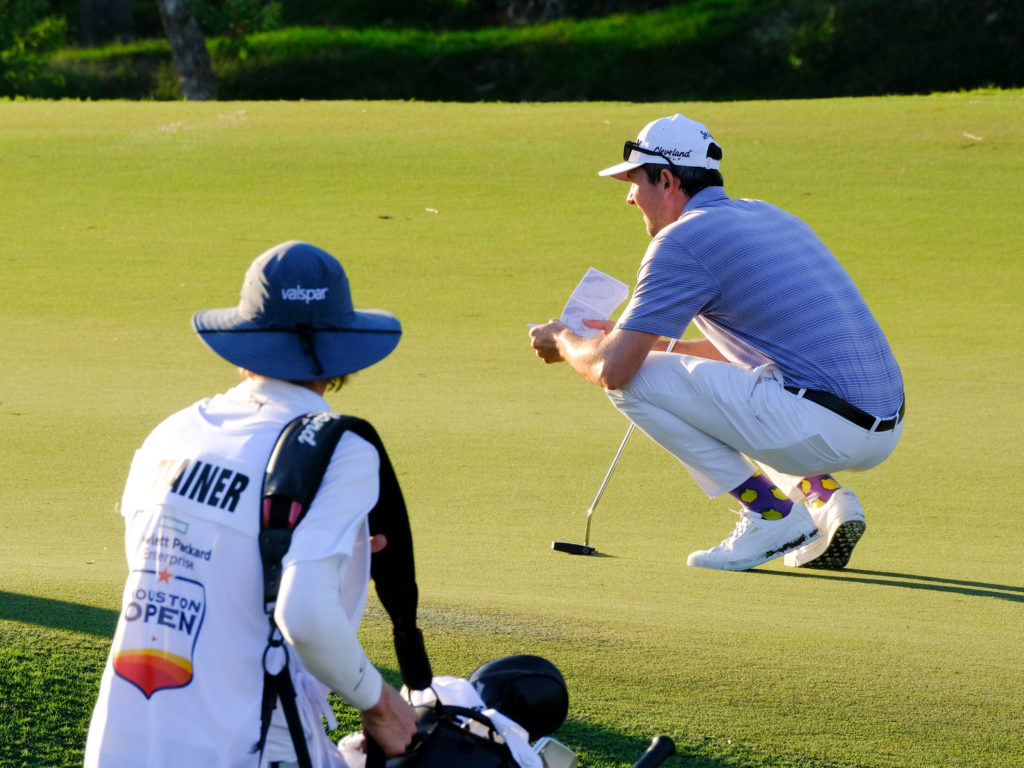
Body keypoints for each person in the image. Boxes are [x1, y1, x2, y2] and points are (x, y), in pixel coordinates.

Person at [85, 241, 419, 767]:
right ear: (339, 351)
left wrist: (339, 557)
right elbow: (303, 615)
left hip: (124, 742)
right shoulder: (342, 450)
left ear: (248, 340)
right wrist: (380, 704)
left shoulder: (171, 433)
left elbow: (188, 571)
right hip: (251, 744)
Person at [530, 114, 905, 572]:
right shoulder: (770, 215)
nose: (629, 197)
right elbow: (745, 356)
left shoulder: (681, 241)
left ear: (666, 180)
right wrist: (640, 343)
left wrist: (564, 339)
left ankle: (770, 515)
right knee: (736, 386)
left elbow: (613, 370)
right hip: (881, 429)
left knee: (631, 384)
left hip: (822, 427)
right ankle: (824, 499)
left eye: (634, 181)